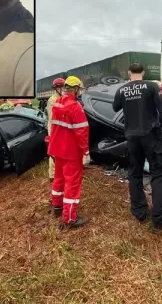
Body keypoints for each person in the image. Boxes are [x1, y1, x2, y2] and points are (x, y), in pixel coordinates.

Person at [112, 63, 162, 231]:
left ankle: (140, 212)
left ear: (129, 73)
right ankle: (159, 218)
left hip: (132, 138)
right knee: (158, 174)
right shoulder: (152, 86)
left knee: (134, 174)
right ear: (143, 72)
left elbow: (115, 107)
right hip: (151, 136)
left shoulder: (122, 90)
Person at [48, 76, 90, 228]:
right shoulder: (75, 107)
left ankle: (57, 206)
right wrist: (85, 152)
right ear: (77, 89)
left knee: (58, 179)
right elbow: (82, 132)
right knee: (72, 183)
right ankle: (70, 218)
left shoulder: (57, 103)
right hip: (71, 152)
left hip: (57, 149)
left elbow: (54, 127)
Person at [46, 78, 65, 182]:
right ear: (56, 88)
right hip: (54, 129)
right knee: (54, 153)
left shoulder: (61, 98)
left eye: (63, 86)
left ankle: (59, 174)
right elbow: (53, 118)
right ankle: (52, 175)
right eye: (60, 87)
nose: (62, 88)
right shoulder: (53, 100)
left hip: (60, 129)